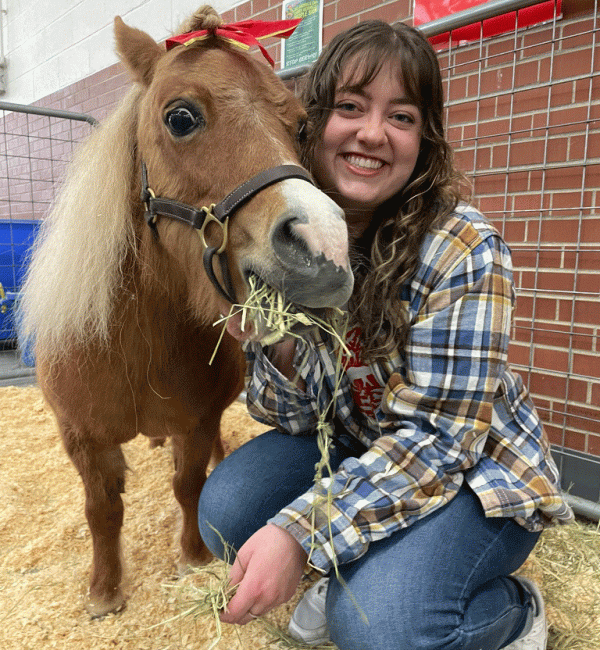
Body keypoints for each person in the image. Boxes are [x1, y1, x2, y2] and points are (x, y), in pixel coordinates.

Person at [198, 19, 574, 650]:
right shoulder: (302, 231)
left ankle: (513, 611)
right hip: (364, 445)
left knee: (378, 627)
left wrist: (301, 533)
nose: (371, 133)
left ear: (424, 140)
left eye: (401, 116)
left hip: (475, 474)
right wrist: (277, 343)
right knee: (227, 513)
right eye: (349, 107)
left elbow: (439, 443)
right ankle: (364, 565)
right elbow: (288, 417)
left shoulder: (463, 249)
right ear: (314, 122)